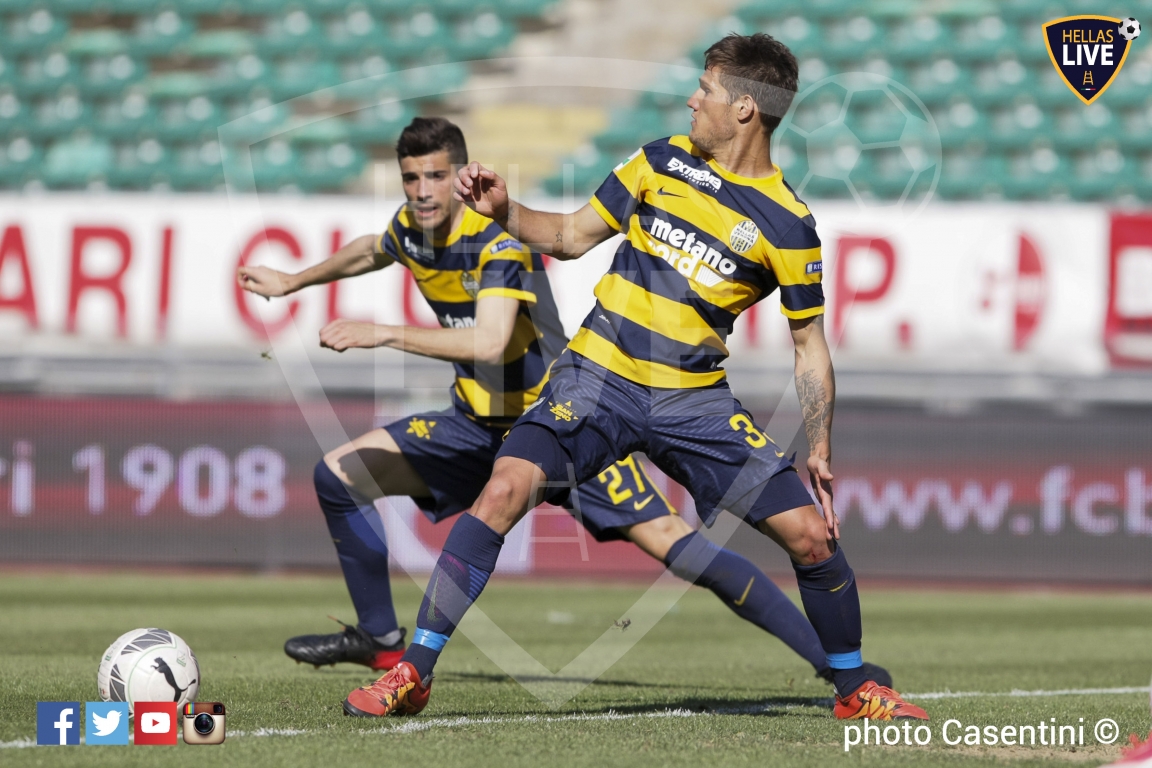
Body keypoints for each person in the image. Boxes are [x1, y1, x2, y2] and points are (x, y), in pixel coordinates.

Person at [342, 37, 928, 722]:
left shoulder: (790, 226)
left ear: (744, 108)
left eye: (706, 89)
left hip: (694, 402)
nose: (692, 99)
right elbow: (567, 237)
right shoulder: (659, 161)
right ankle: (413, 671)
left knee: (812, 537)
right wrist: (505, 210)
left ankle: (855, 690)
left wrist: (820, 446)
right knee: (501, 490)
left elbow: (810, 347)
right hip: (596, 380)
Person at [237, 117, 888, 692]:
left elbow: (490, 342)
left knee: (681, 549)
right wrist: (294, 279)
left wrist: (381, 333)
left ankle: (831, 665)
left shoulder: (497, 242)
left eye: (435, 177)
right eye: (411, 178)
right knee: (339, 476)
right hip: (475, 424)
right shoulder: (413, 229)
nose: (422, 191)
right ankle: (382, 641)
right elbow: (375, 247)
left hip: (566, 420)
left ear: (459, 175)